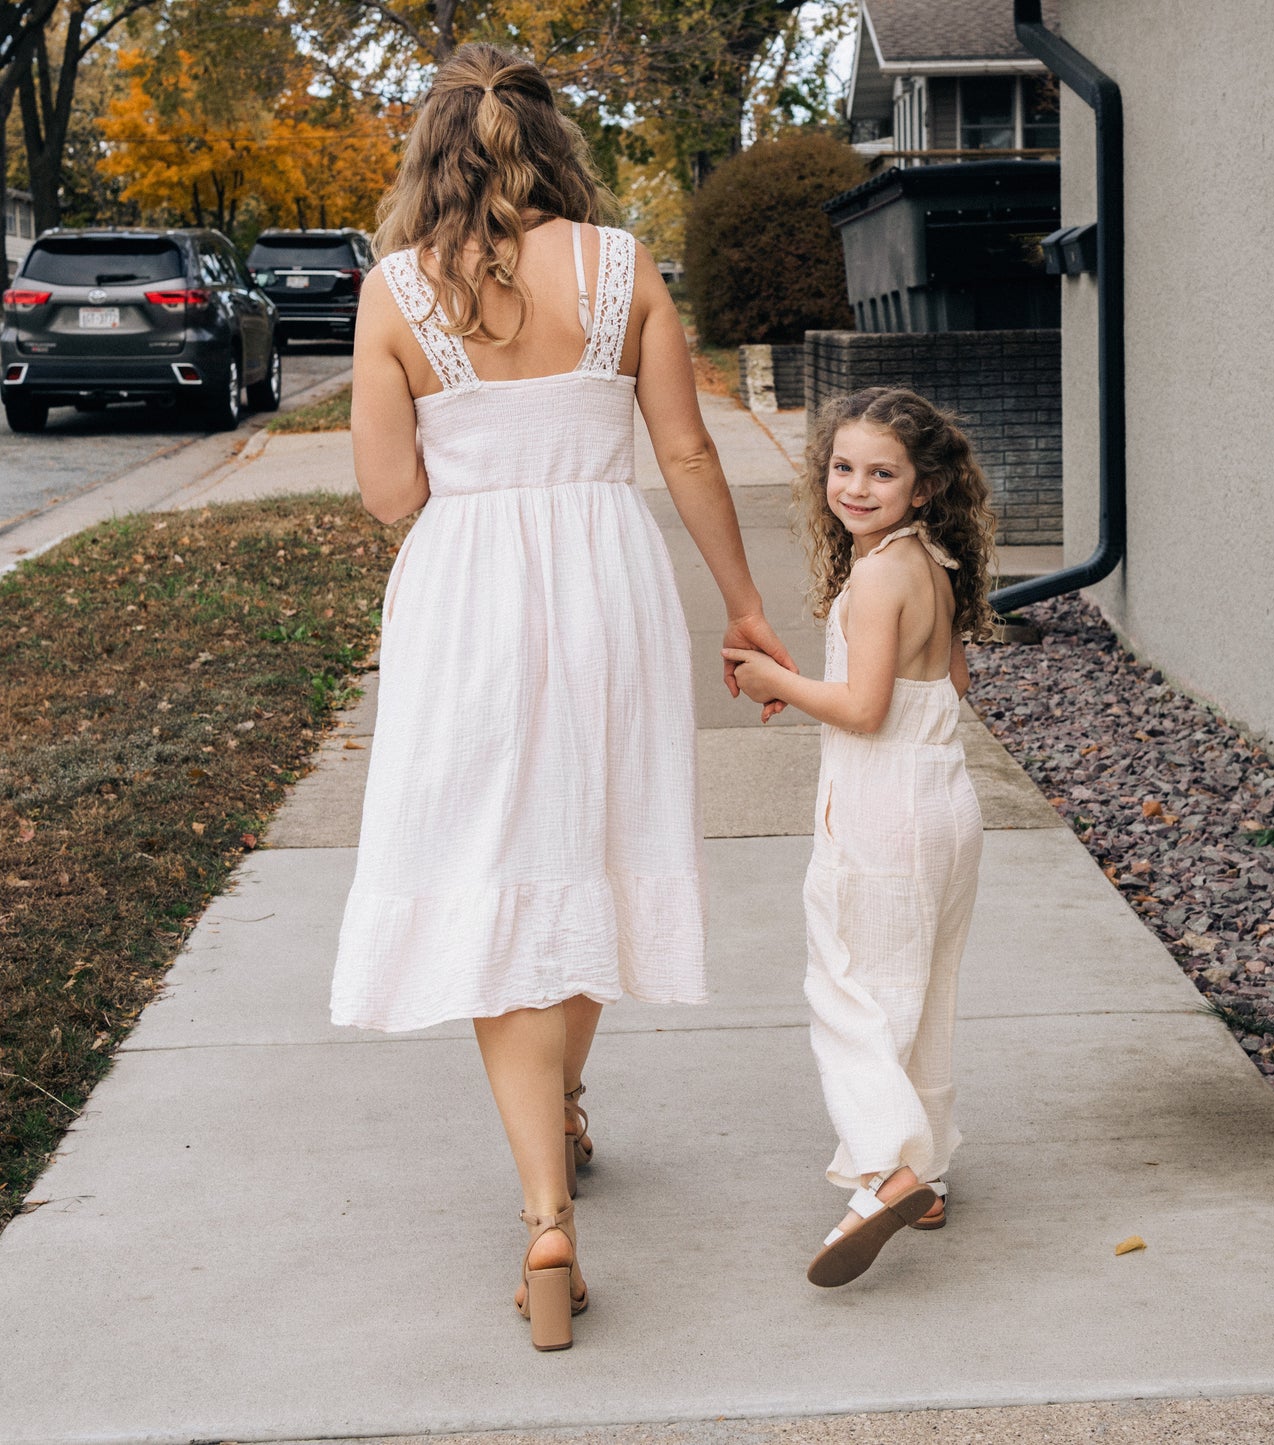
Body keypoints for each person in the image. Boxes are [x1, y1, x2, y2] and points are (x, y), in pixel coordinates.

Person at [329, 42, 794, 1350]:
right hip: (607, 586)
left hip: (465, 592)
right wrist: (746, 606)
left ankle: (545, 1215)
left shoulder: (392, 293)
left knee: (492, 867)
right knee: (589, 848)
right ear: (553, 143)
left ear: (432, 154)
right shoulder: (622, 265)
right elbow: (688, 447)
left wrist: (474, 489)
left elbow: (389, 496)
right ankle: (568, 1095)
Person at [724, 386, 996, 1287]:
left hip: (886, 807)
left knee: (849, 992)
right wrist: (810, 688)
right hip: (943, 799)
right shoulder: (933, 561)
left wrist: (774, 675)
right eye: (843, 467)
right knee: (922, 987)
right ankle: (932, 1169)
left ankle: (885, 1169)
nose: (855, 486)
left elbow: (865, 709)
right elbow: (944, 684)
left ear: (922, 487)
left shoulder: (877, 573)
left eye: (882, 473)